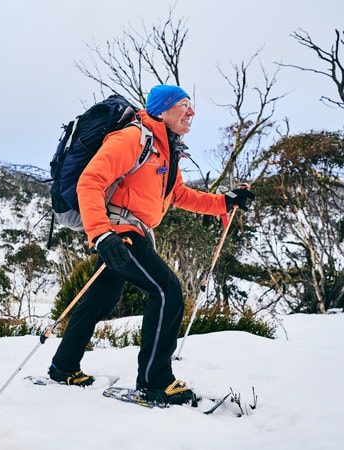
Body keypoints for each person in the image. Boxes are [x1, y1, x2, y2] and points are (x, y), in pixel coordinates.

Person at [48, 85, 255, 405]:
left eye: (191, 105)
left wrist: (223, 202)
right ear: (163, 109)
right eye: (184, 105)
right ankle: (155, 382)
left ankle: (63, 366)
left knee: (100, 299)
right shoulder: (132, 138)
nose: (192, 112)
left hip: (132, 230)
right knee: (166, 290)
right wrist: (101, 235)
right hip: (120, 231)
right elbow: (91, 182)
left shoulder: (165, 149)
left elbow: (179, 195)